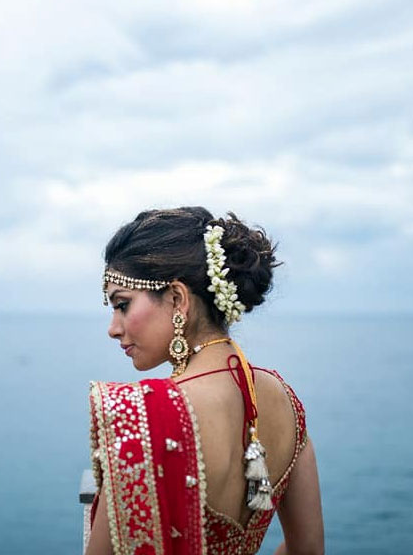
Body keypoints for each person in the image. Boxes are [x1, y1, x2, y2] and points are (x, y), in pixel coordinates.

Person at [86, 207, 324, 555]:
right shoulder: (284, 398)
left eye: (122, 304)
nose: (113, 328)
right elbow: (310, 549)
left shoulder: (144, 413)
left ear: (178, 298)